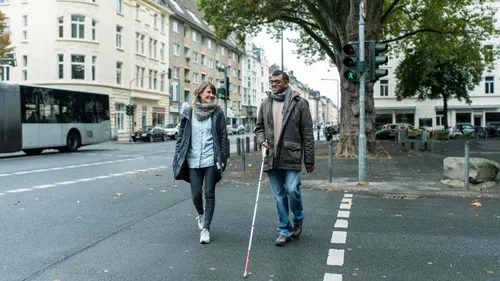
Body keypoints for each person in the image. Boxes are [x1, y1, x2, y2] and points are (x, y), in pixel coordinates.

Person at [254, 70, 315, 246]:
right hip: (271, 155)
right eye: (271, 81)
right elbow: (258, 128)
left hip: (292, 154)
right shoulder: (265, 103)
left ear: (286, 82)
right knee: (279, 195)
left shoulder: (300, 103)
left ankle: (298, 217)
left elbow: (307, 133)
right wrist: (261, 141)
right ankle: (284, 230)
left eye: (277, 81)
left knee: (292, 189)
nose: (273, 84)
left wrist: (309, 159)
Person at [173, 82, 228, 244]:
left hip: (211, 159)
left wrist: (223, 159)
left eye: (213, 93)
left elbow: (223, 138)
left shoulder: (217, 112)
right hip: (192, 159)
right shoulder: (188, 111)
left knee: (209, 193)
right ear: (200, 93)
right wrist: (177, 156)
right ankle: (201, 213)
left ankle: (206, 229)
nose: (211, 95)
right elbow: (181, 136)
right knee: (196, 194)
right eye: (208, 92)